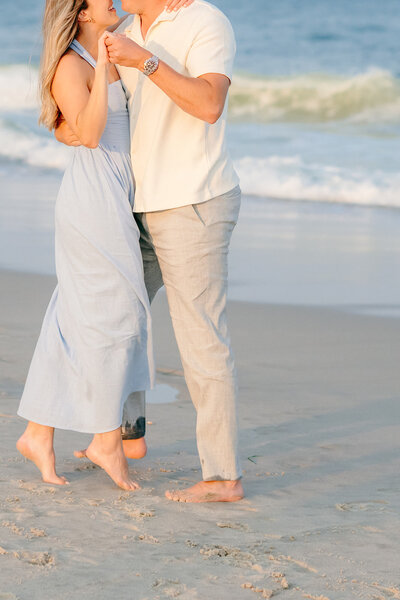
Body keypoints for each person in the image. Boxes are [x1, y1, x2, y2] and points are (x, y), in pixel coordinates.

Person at [57, 0, 244, 503]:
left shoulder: (203, 20)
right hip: (137, 204)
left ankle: (222, 477)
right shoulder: (129, 25)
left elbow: (209, 105)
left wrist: (146, 61)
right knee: (117, 316)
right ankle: (126, 435)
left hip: (193, 202)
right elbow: (95, 107)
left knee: (201, 339)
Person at [16, 0, 190, 490]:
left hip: (114, 195)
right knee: (117, 315)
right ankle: (106, 439)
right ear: (83, 13)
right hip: (92, 201)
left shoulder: (101, 52)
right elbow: (89, 134)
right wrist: (107, 69)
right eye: (102, 0)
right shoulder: (72, 64)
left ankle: (37, 432)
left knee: (74, 316)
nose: (114, 2)